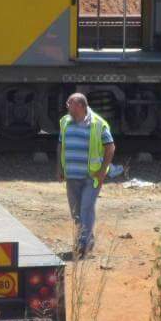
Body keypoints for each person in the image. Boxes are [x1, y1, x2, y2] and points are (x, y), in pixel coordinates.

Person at [57, 93, 115, 258]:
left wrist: (103, 170)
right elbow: (60, 145)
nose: (68, 109)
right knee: (76, 212)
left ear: (81, 106)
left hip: (93, 177)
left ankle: (83, 245)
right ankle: (87, 238)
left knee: (86, 208)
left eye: (71, 106)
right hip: (72, 176)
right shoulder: (65, 122)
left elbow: (110, 147)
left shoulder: (98, 124)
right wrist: (59, 168)